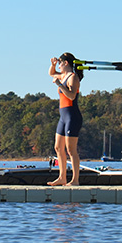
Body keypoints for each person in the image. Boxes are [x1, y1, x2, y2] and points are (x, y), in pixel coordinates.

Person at [47, 52, 84, 186]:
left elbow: (72, 96)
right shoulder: (62, 76)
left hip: (72, 117)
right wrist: (53, 65)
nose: (59, 66)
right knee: (58, 147)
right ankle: (62, 177)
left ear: (66, 63)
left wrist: (60, 85)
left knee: (71, 150)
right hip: (63, 117)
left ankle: (75, 180)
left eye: (60, 63)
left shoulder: (72, 78)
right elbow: (51, 73)